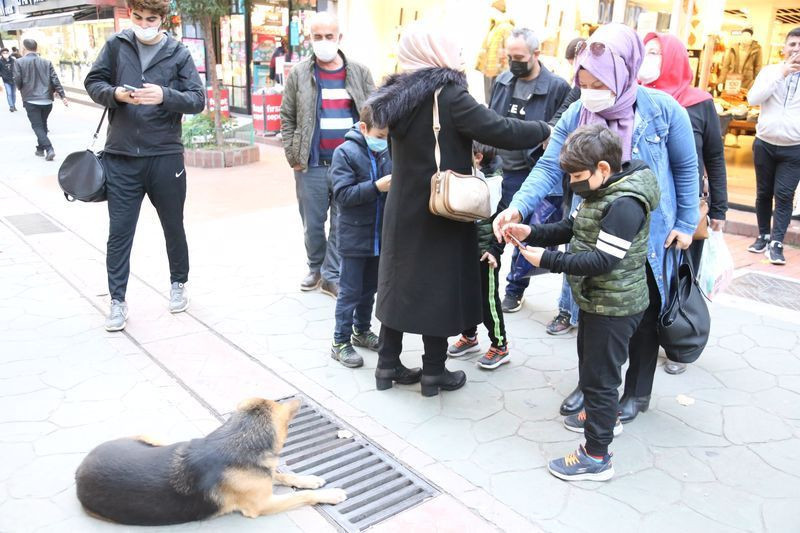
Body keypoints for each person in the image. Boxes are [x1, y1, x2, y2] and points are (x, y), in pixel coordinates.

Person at [493, 23, 699, 421]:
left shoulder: (662, 110)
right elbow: (549, 166)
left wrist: (687, 223)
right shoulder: (577, 112)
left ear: (624, 71)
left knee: (642, 315)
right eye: (583, 80)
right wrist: (518, 206)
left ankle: (636, 393)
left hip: (651, 234)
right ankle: (592, 386)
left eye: (598, 81)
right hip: (591, 228)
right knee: (593, 311)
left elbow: (686, 167)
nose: (590, 90)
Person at [368, 23, 551, 396]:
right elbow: (499, 130)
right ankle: (434, 372)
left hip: (403, 207)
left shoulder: (396, 95)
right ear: (439, 51)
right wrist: (545, 129)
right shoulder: (447, 94)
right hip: (442, 209)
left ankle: (387, 365)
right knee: (438, 285)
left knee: (398, 282)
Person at [503, 124, 660, 481]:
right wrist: (531, 231)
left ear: (603, 169)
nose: (572, 182)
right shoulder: (598, 191)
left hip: (615, 305)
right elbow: (570, 229)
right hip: (597, 299)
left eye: (577, 175)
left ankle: (596, 456)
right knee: (594, 369)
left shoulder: (625, 204)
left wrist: (548, 261)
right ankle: (601, 418)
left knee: (600, 379)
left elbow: (603, 261)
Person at [84, 0, 205, 331]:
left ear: (162, 19)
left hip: (165, 156)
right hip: (121, 156)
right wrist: (116, 94)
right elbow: (93, 83)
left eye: (150, 18)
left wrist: (164, 95)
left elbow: (197, 99)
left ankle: (179, 282)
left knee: (172, 224)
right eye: (137, 17)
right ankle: (117, 301)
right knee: (120, 232)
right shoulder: (116, 45)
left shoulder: (178, 53)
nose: (143, 23)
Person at [638, 32, 728, 374]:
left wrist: (719, 208)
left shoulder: (698, 101)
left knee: (678, 278)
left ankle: (678, 339)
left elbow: (715, 159)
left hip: (684, 208)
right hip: (644, 206)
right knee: (646, 277)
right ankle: (643, 338)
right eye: (646, 52)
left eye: (656, 53)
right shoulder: (635, 96)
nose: (649, 58)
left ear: (674, 57)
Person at [280, 12, 376, 298]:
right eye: (317, 37)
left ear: (339, 38)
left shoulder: (359, 72)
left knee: (341, 221)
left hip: (350, 164)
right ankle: (315, 267)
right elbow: (287, 117)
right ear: (310, 39)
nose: (323, 42)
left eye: (329, 37)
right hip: (312, 164)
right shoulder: (299, 73)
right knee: (313, 222)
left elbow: (374, 114)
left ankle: (331, 275)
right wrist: (292, 154)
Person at [487, 27, 570, 314]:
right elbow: (490, 119)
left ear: (536, 54)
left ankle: (514, 288)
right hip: (502, 169)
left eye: (519, 56)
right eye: (509, 56)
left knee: (528, 233)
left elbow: (562, 129)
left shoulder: (558, 87)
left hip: (536, 170)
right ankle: (486, 283)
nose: (513, 62)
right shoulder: (502, 80)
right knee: (493, 230)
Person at [329, 104, 391, 368]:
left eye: (386, 136)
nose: (383, 141)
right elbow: (343, 195)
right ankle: (339, 341)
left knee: (369, 289)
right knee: (350, 292)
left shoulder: (388, 151)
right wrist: (377, 186)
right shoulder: (345, 152)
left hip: (379, 235)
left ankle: (361, 330)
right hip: (354, 236)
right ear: (363, 128)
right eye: (379, 136)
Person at [447, 142, 510, 370]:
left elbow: (504, 225)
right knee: (466, 295)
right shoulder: (472, 175)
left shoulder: (495, 184)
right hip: (467, 249)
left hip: (486, 254)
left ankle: (500, 345)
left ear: (478, 157)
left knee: (488, 300)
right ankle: (470, 336)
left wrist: (495, 250)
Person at [746, 27, 800, 266]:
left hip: (794, 147)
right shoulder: (770, 72)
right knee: (763, 192)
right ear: (784, 47)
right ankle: (763, 236)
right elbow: (753, 99)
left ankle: (776, 243)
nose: (796, 50)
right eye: (793, 45)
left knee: (785, 195)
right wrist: (781, 74)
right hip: (765, 143)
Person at [545, 36, 586, 337]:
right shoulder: (579, 93)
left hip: (618, 195)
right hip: (580, 188)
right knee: (573, 241)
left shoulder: (657, 106)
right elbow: (559, 120)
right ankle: (566, 309)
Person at [14, 39, 68, 161]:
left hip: (31, 99)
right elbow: (55, 79)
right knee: (42, 124)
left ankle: (49, 149)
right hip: (47, 100)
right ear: (36, 48)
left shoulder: (19, 62)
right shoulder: (46, 62)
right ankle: (40, 149)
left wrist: (21, 88)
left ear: (24, 48)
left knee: (37, 126)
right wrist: (62, 95)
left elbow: (17, 80)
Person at [475, 0, 514, 103]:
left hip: (499, 70)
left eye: (493, 10)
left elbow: (509, 51)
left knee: (495, 99)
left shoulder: (506, 28)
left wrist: (505, 71)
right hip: (489, 69)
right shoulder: (494, 27)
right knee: (489, 99)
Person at [1, 48, 17, 112]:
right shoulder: (0, 61)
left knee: (14, 93)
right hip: (6, 80)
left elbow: (16, 68)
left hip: (14, 79)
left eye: (6, 52)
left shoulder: (13, 60)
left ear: (8, 53)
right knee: (9, 93)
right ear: (1, 54)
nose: (5, 54)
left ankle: (14, 104)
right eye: (3, 53)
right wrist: (3, 75)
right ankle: (11, 106)